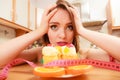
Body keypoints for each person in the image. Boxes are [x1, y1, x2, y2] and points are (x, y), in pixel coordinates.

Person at [0, 0, 120, 67]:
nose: (62, 35)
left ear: (75, 31)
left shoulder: (83, 54)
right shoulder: (39, 54)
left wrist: (82, 30)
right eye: (53, 26)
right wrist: (38, 31)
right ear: (46, 30)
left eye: (70, 27)